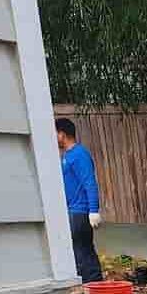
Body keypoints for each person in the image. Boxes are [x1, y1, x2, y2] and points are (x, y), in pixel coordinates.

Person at [56, 118, 104, 283]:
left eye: (55, 134)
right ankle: (90, 287)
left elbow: (89, 182)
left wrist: (93, 210)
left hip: (80, 212)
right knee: (79, 252)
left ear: (62, 134)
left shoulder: (79, 154)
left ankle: (95, 285)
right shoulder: (67, 156)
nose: (54, 138)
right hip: (72, 211)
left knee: (83, 252)